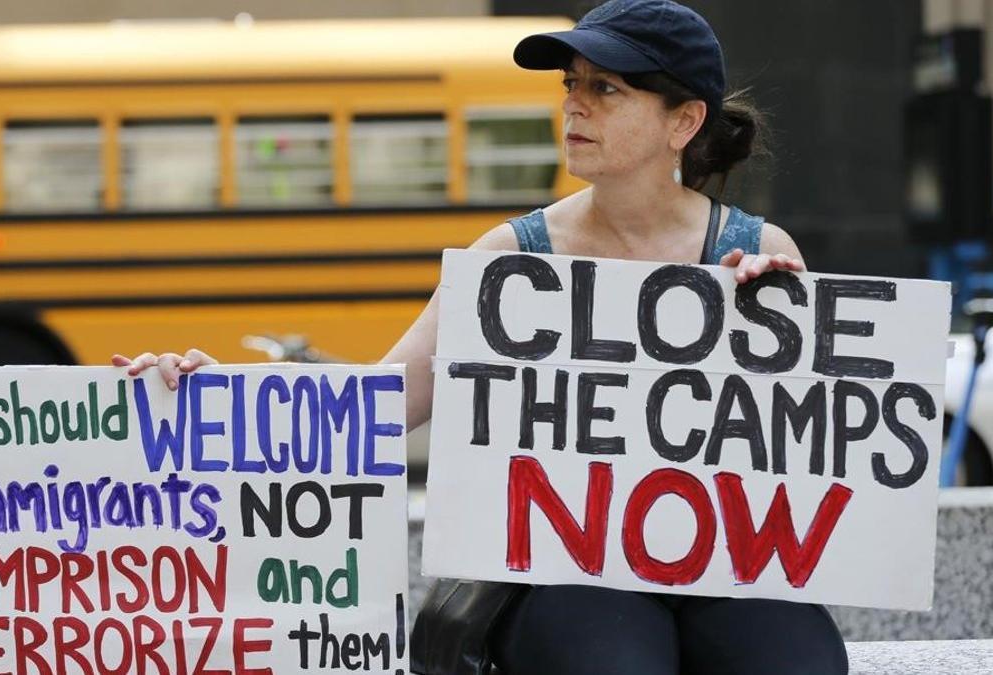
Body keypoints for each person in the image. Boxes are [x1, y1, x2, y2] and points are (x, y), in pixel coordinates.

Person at [114, 1, 848, 672]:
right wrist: (212, 394)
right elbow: (379, 399)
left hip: (726, 569)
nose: (573, 104)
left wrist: (783, 334)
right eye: (572, 83)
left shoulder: (759, 248)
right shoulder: (511, 258)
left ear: (682, 123)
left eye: (606, 89)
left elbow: (813, 454)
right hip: (567, 575)